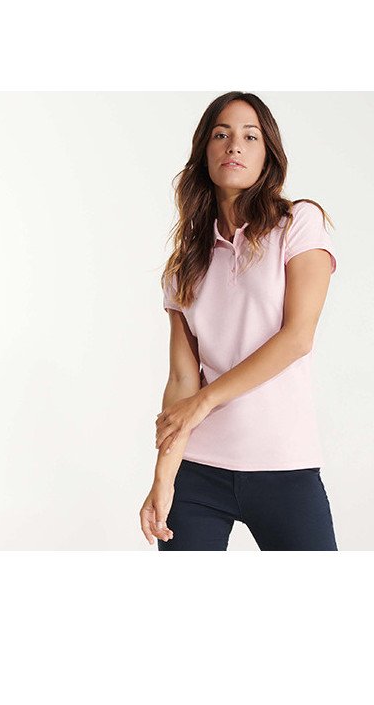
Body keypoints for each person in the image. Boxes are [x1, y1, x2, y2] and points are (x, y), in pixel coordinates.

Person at [139, 91, 340, 551]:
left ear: (268, 155)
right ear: (205, 152)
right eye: (221, 134)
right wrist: (163, 479)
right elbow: (182, 381)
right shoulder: (185, 266)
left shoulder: (298, 224)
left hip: (284, 465)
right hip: (197, 472)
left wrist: (204, 402)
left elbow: (297, 337)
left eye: (250, 137)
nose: (234, 145)